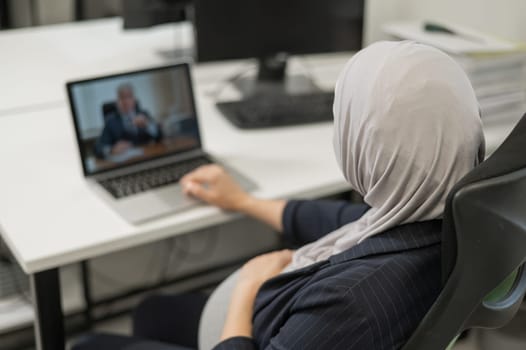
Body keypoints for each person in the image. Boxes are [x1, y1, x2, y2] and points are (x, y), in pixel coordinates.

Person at [74, 41, 485, 350]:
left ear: (364, 145)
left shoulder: (351, 303)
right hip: (275, 312)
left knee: (89, 345)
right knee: (151, 312)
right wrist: (243, 201)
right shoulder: (444, 219)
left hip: (248, 329)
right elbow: (343, 219)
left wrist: (247, 287)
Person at [94, 83, 161, 159]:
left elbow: (160, 136)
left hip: (146, 157)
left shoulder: (144, 114)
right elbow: (98, 147)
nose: (126, 101)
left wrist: (148, 125)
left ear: (134, 99)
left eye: (129, 97)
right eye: (122, 98)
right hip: (124, 163)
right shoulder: (111, 121)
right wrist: (111, 149)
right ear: (117, 101)